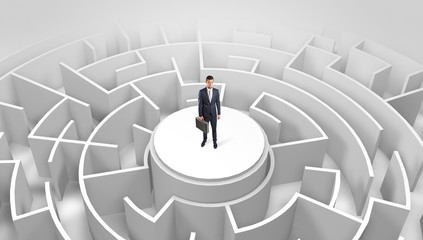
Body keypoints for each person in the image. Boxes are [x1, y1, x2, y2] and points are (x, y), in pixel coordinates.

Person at [198, 75, 221, 149]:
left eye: (211, 82)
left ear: (213, 82)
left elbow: (218, 103)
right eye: (209, 82)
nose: (210, 84)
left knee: (214, 128)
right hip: (205, 114)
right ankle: (204, 140)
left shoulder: (216, 91)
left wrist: (219, 113)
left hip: (214, 114)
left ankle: (215, 141)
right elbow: (200, 104)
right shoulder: (201, 92)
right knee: (205, 129)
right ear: (206, 82)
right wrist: (200, 115)